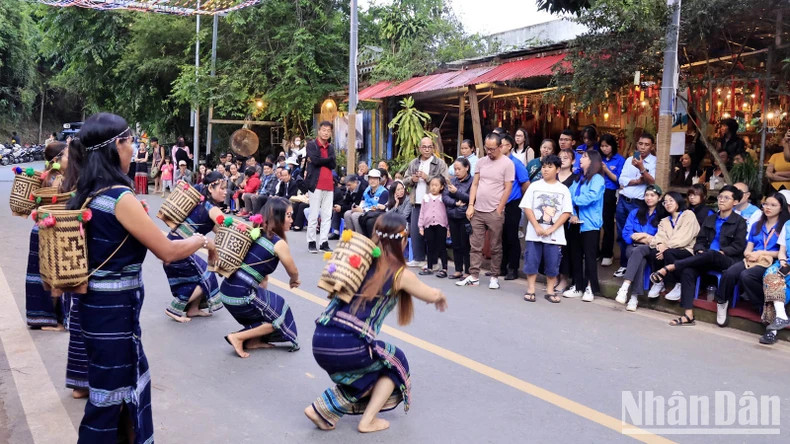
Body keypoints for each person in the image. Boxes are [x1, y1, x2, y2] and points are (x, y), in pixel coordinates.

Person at [68, 113, 217, 443]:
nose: (133, 148)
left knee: (115, 390)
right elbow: (168, 250)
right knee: (111, 397)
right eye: (130, 141)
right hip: (114, 313)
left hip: (95, 308)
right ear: (115, 147)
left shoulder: (87, 193)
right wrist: (203, 241)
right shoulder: (120, 198)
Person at [304, 212, 447, 433]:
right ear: (403, 238)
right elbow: (430, 294)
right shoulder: (398, 273)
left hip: (320, 338)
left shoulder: (359, 262)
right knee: (395, 362)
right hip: (347, 345)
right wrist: (440, 296)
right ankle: (362, 419)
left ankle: (325, 412)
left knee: (368, 368)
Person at [650, 185, 747, 326]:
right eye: (720, 197)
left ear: (735, 202)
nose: (721, 200)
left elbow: (738, 246)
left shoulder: (739, 222)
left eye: (727, 198)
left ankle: (670, 267)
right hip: (706, 257)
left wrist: (722, 252)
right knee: (688, 271)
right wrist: (699, 250)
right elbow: (700, 240)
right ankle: (688, 315)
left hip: (727, 259)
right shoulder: (711, 219)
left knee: (712, 254)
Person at [221, 197, 301, 358]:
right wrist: (294, 279)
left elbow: (263, 279)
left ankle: (253, 341)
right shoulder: (278, 243)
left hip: (227, 291)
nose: (292, 220)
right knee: (279, 314)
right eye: (289, 215)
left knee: (269, 305)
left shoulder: (257, 233)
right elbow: (292, 270)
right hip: (241, 294)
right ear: (277, 217)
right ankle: (237, 337)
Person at [716, 193, 789, 327]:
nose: (768, 208)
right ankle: (722, 302)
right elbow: (748, 248)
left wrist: (761, 253)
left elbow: (782, 252)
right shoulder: (756, 225)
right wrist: (749, 254)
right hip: (752, 259)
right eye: (766, 204)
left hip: (771, 261)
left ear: (781, 208)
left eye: (773, 205)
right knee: (730, 272)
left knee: (747, 276)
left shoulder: (784, 226)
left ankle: (765, 305)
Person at [162, 172, 227, 323]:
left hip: (172, 245)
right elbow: (226, 230)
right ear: (211, 188)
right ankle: (174, 308)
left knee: (198, 276)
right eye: (222, 188)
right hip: (180, 250)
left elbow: (219, 233)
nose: (225, 192)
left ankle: (193, 309)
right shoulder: (212, 209)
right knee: (207, 276)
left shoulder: (201, 204)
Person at [457, 133, 514, 289]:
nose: (489, 152)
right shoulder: (481, 162)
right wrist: (470, 205)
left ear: (500, 147)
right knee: (475, 245)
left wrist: (499, 209)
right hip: (478, 210)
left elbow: (508, 188)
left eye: (492, 149)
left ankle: (494, 276)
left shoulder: (507, 164)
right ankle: (474, 275)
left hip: (494, 211)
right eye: (486, 148)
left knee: (495, 246)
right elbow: (474, 184)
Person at [25, 141, 70, 331]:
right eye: (68, 155)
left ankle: (45, 317)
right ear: (57, 159)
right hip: (52, 231)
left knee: (43, 273)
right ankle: (53, 321)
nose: (71, 159)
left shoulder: (46, 176)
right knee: (55, 274)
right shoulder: (59, 180)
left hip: (40, 228)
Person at [520, 155, 572, 303]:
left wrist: (552, 229)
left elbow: (566, 212)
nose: (545, 170)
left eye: (550, 167)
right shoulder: (534, 186)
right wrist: (536, 226)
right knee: (531, 261)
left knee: (553, 262)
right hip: (534, 232)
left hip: (555, 234)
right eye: (544, 167)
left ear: (557, 169)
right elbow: (527, 207)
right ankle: (530, 289)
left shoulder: (563, 189)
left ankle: (550, 290)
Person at [564, 150, 605, 301]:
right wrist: (572, 214)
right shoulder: (578, 178)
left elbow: (590, 198)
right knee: (575, 255)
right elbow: (568, 196)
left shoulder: (598, 179)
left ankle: (590, 287)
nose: (581, 159)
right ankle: (577, 286)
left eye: (585, 157)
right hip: (575, 222)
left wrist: (574, 200)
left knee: (589, 257)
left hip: (590, 224)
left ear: (593, 161)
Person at [614, 132, 657, 278]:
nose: (643, 147)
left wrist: (641, 168)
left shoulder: (655, 162)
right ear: (637, 144)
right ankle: (623, 265)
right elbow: (621, 180)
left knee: (635, 233)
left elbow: (653, 182)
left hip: (639, 204)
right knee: (621, 234)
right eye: (640, 144)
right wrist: (638, 181)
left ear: (652, 147)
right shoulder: (628, 160)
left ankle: (633, 265)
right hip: (623, 200)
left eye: (647, 145)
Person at [614, 185, 662, 311]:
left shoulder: (662, 215)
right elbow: (626, 234)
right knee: (639, 257)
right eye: (647, 195)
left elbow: (659, 237)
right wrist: (643, 238)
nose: (649, 198)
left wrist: (645, 237)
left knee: (639, 251)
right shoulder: (635, 212)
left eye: (652, 195)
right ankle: (634, 297)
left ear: (659, 198)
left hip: (651, 249)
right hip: (633, 246)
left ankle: (625, 287)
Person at [645, 192, 700, 301]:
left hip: (687, 250)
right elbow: (659, 237)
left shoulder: (688, 215)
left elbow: (684, 238)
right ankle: (659, 282)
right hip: (669, 249)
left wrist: (666, 246)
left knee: (668, 253)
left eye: (671, 200)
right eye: (665, 202)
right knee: (653, 251)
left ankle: (679, 284)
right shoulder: (664, 221)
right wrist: (660, 244)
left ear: (678, 201)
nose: (668, 204)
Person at [405, 137, 448, 267]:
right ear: (419, 148)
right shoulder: (414, 163)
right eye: (424, 147)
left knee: (432, 233)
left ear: (433, 148)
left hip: (433, 203)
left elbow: (445, 181)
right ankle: (418, 259)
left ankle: (433, 261)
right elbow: (405, 179)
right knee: (415, 231)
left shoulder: (439, 163)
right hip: (416, 201)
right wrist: (412, 179)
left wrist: (427, 177)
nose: (427, 149)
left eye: (429, 147)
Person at [499, 134, 530, 280]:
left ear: (509, 146)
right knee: (501, 236)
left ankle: (513, 268)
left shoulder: (516, 163)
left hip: (513, 203)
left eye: (502, 145)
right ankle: (502, 267)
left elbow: (525, 184)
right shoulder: (497, 162)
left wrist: (521, 202)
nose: (499, 147)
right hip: (498, 203)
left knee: (512, 236)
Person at [304, 121, 337, 253]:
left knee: (327, 215)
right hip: (315, 184)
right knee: (313, 214)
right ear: (319, 131)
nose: (326, 133)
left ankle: (324, 242)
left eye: (328, 131)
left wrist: (322, 160)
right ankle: (311, 242)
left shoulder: (331, 147)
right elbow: (315, 160)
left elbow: (333, 164)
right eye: (324, 130)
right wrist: (326, 160)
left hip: (329, 185)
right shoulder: (312, 145)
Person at [599, 134, 625, 267]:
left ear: (613, 146)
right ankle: (598, 252)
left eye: (607, 146)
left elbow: (619, 180)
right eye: (602, 146)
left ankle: (607, 253)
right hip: (597, 192)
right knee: (596, 223)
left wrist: (606, 170)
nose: (604, 149)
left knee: (608, 224)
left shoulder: (620, 160)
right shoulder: (598, 157)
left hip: (610, 192)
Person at [444, 157, 473, 279]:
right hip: (452, 214)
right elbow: (445, 197)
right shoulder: (453, 181)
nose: (456, 172)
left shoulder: (472, 181)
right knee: (455, 244)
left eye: (459, 169)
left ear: (466, 168)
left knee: (465, 245)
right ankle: (458, 269)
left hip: (465, 216)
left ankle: (468, 270)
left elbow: (471, 198)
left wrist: (456, 192)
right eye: (455, 169)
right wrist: (455, 203)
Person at [555, 148, 578, 293]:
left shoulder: (575, 179)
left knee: (565, 250)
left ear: (573, 161)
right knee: (553, 249)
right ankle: (554, 277)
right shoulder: (552, 176)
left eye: (566, 157)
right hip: (551, 218)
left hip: (567, 219)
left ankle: (564, 279)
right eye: (560, 157)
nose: (563, 159)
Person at [418, 176, 450, 278]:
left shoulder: (444, 198)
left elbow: (447, 213)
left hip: (441, 225)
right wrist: (421, 227)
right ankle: (430, 267)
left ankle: (444, 268)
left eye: (436, 185)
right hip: (428, 225)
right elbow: (422, 212)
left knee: (442, 247)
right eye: (431, 185)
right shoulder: (426, 197)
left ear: (441, 187)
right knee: (430, 246)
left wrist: (448, 228)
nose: (433, 187)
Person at [345, 169, 388, 233]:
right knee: (347, 214)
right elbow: (362, 202)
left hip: (374, 214)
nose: (372, 181)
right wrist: (357, 207)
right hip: (365, 210)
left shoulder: (384, 192)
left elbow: (378, 210)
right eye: (370, 178)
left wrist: (363, 210)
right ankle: (351, 236)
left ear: (379, 180)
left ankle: (361, 238)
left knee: (355, 216)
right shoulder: (367, 190)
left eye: (375, 179)